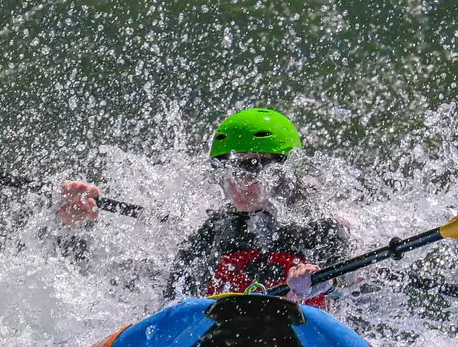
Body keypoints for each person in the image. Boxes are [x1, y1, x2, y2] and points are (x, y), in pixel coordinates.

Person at [56, 107, 352, 304]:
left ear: (287, 169)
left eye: (251, 166)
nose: (237, 182)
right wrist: (77, 230)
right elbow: (167, 307)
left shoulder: (321, 225)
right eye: (224, 167)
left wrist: (325, 281)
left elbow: (351, 291)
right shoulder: (212, 233)